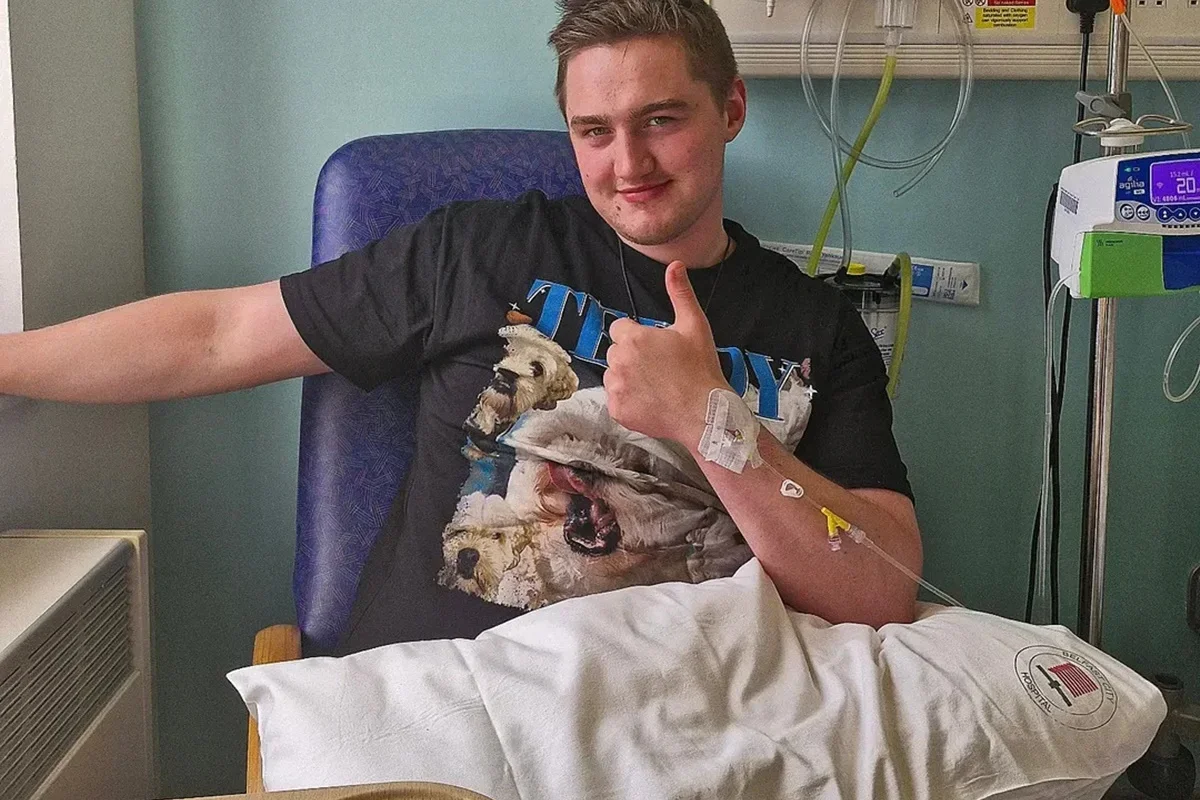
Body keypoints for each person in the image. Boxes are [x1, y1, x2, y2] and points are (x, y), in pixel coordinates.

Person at [0, 0, 921, 654]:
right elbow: (218, 334)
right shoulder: (478, 251)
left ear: (731, 111)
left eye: (661, 120)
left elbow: (881, 589)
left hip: (675, 714)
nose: (627, 163)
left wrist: (710, 422)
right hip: (440, 701)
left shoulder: (816, 328)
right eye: (593, 131)